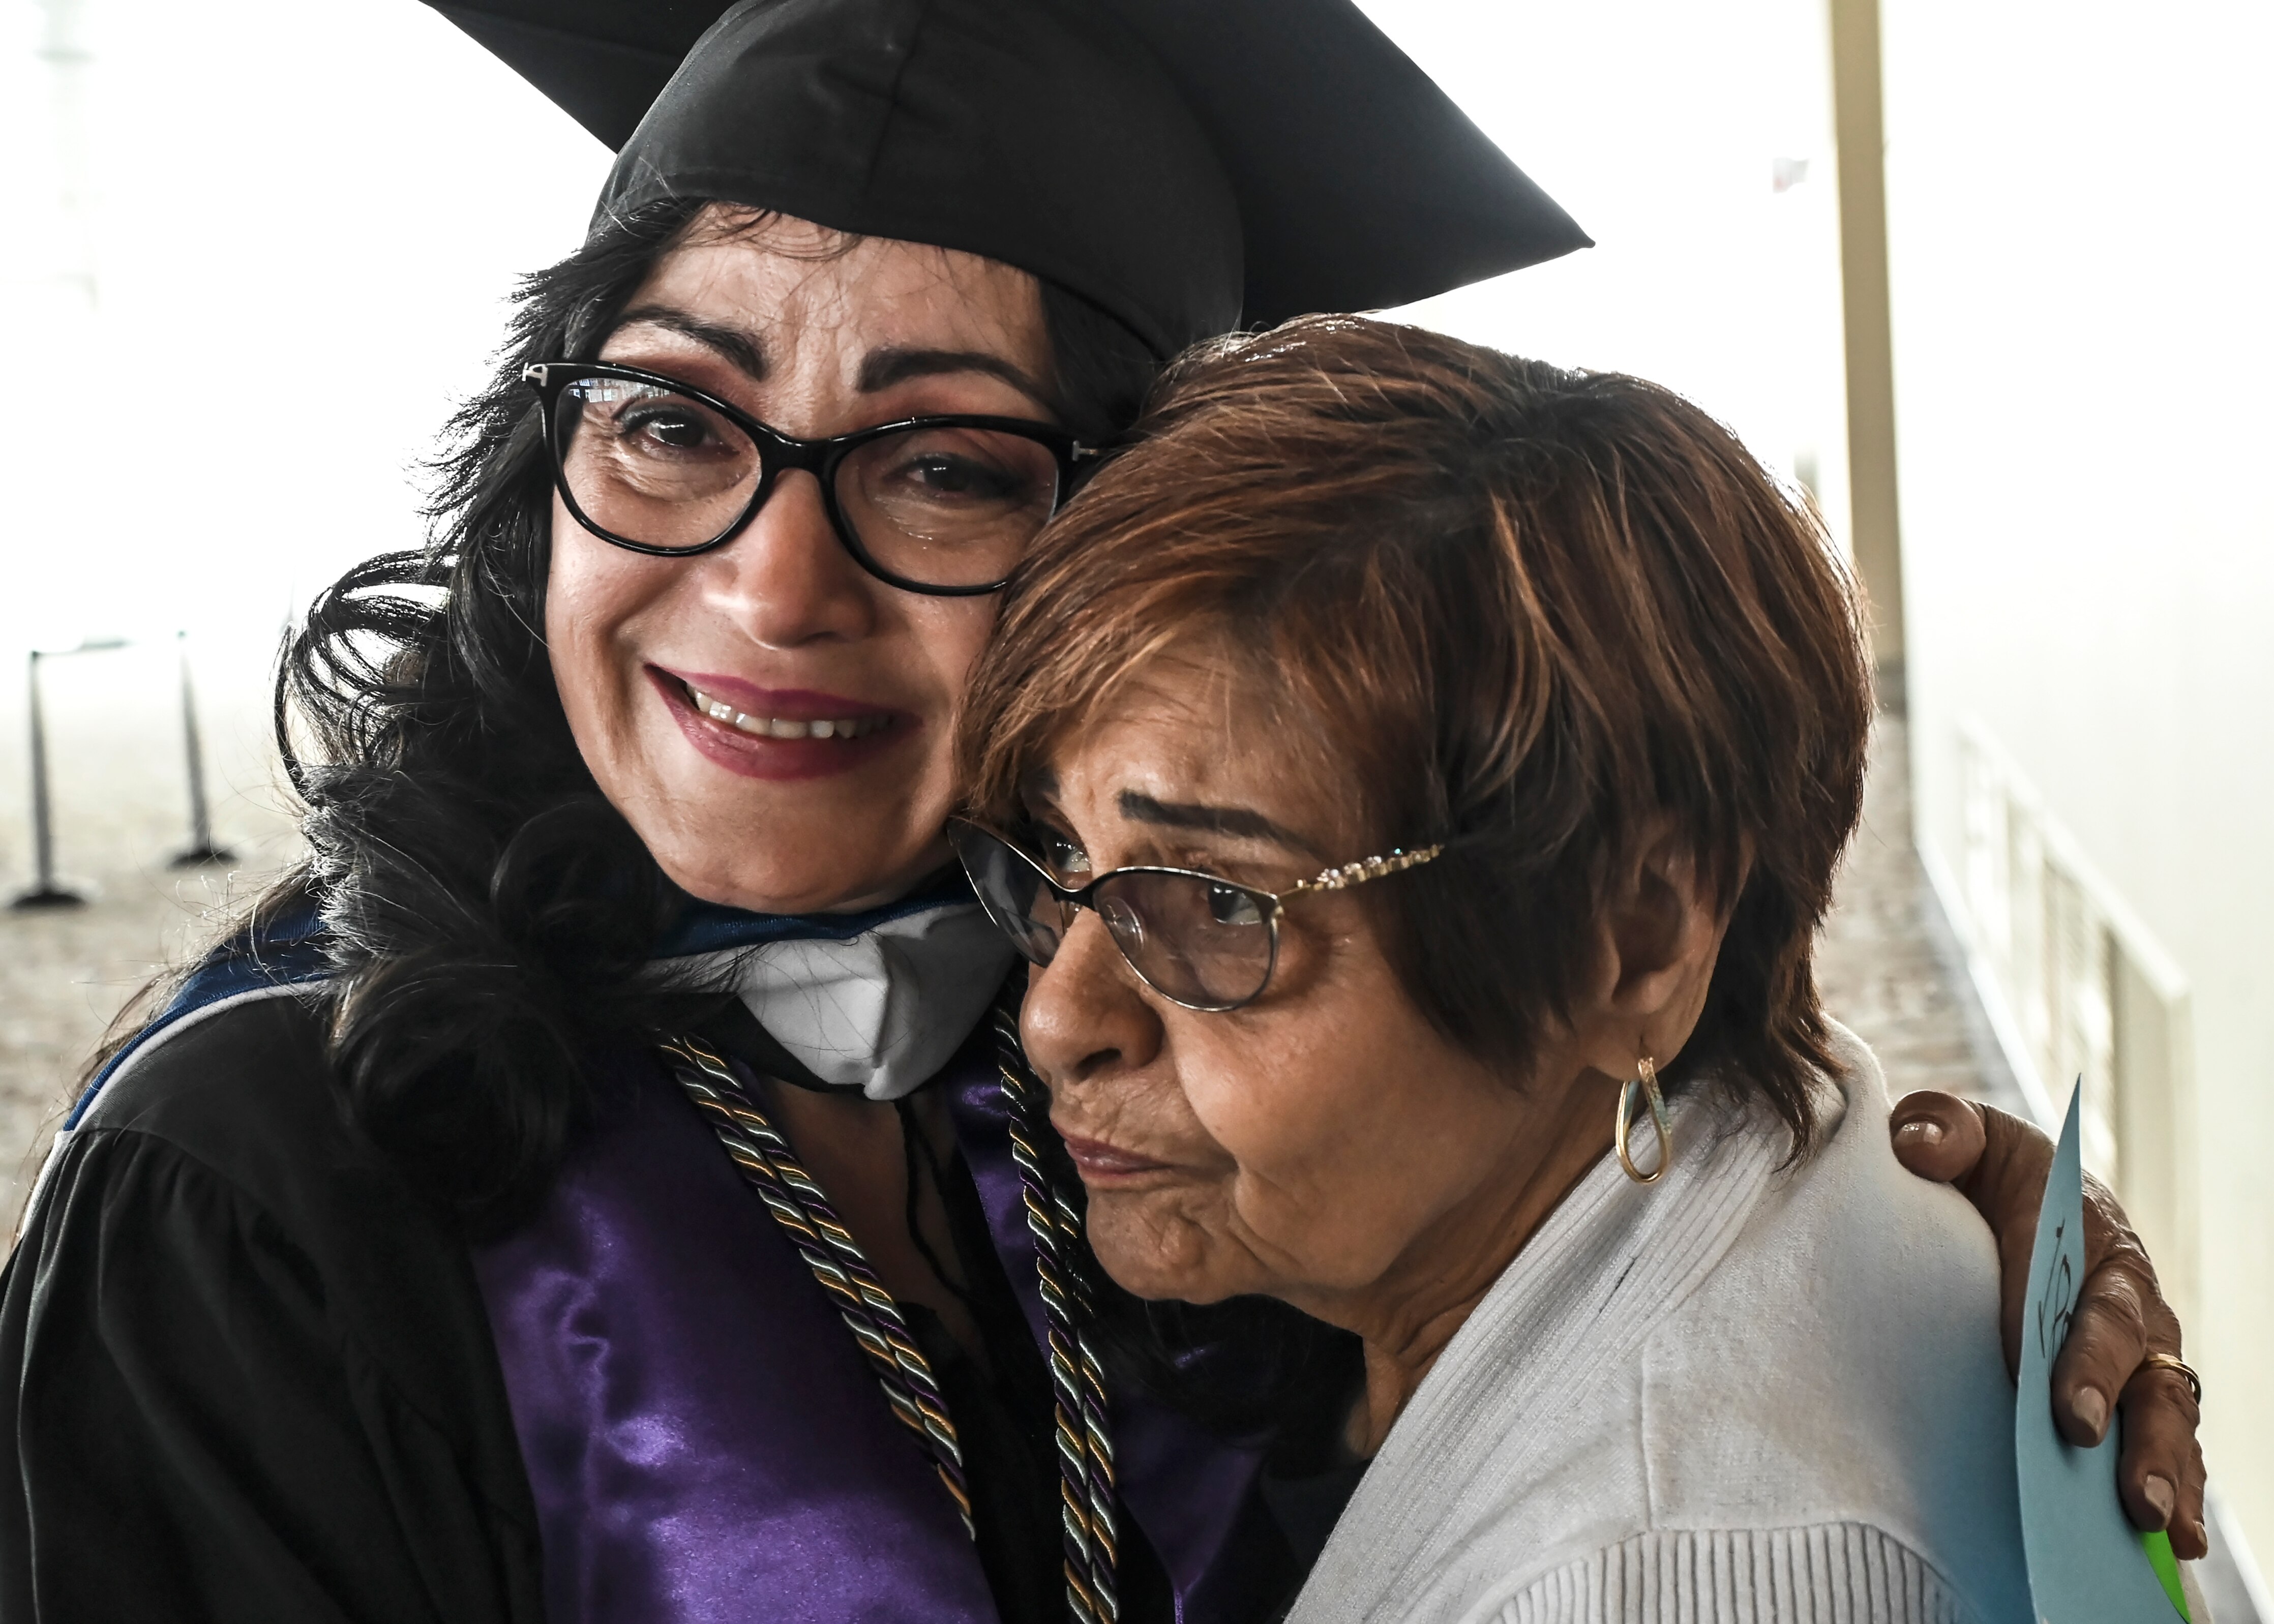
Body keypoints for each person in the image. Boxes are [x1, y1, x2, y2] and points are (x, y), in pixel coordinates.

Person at [0, 2, 2200, 1621]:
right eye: (670, 418)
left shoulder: (1166, 1081)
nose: (769, 586)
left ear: (1126, 568)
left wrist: (1960, 1312)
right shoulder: (271, 1167)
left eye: (943, 461)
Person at [950, 315, 2211, 1623]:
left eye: (1215, 901)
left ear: (1641, 943)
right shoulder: (1740, 1163)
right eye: (1052, 849)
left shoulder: (1659, 1576)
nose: (1055, 1014)